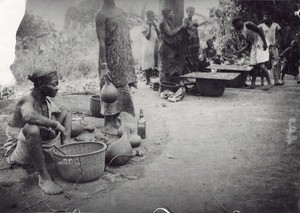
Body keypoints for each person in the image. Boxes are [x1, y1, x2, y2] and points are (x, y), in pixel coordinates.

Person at [4, 69, 94, 195]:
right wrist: (56, 125)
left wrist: (54, 128)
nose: (57, 88)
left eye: (58, 84)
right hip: (21, 150)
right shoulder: (26, 100)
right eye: (54, 84)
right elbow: (29, 117)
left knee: (67, 111)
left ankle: (66, 148)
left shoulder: (45, 100)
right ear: (40, 84)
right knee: (32, 128)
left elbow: (50, 120)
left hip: (45, 141)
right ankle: (44, 178)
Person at [95, 0, 137, 135]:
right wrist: (104, 66)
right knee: (109, 89)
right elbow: (101, 41)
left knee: (121, 88)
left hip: (122, 59)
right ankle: (108, 123)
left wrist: (129, 59)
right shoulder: (101, 15)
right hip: (110, 59)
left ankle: (115, 118)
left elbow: (124, 36)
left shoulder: (121, 12)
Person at [232, 17, 273, 90]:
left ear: (238, 22)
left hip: (260, 42)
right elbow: (248, 44)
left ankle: (269, 82)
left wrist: (265, 43)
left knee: (262, 65)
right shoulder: (243, 32)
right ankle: (253, 84)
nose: (235, 27)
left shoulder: (247, 24)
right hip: (254, 45)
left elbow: (260, 31)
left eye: (235, 25)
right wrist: (240, 51)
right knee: (255, 65)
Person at [159, 7, 186, 83]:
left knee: (168, 68)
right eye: (172, 13)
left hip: (169, 48)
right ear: (167, 14)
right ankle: (163, 86)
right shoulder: (163, 22)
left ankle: (166, 85)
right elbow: (170, 33)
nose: (173, 15)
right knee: (164, 68)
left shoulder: (167, 22)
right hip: (164, 48)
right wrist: (181, 27)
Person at [258, 13, 284, 86]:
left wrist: (278, 42)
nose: (267, 18)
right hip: (264, 47)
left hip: (273, 46)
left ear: (271, 17)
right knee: (263, 63)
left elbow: (281, 34)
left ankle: (276, 80)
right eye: (265, 16)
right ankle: (262, 82)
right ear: (263, 18)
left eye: (268, 16)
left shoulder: (275, 25)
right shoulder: (261, 26)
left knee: (275, 63)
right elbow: (257, 35)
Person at [182, 7, 209, 72]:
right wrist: (191, 24)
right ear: (187, 12)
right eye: (189, 12)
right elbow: (183, 27)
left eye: (192, 12)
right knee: (189, 56)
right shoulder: (185, 19)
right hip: (190, 40)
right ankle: (189, 72)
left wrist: (205, 22)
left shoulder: (194, 21)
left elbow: (198, 24)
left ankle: (194, 71)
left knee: (195, 56)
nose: (190, 13)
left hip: (196, 40)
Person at [141, 10, 160, 85]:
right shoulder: (144, 26)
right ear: (148, 17)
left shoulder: (155, 24)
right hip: (147, 46)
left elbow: (159, 34)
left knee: (153, 61)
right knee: (146, 63)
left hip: (154, 44)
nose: (153, 18)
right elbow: (147, 37)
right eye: (151, 16)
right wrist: (149, 26)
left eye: (153, 16)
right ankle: (147, 79)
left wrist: (155, 26)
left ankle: (153, 78)